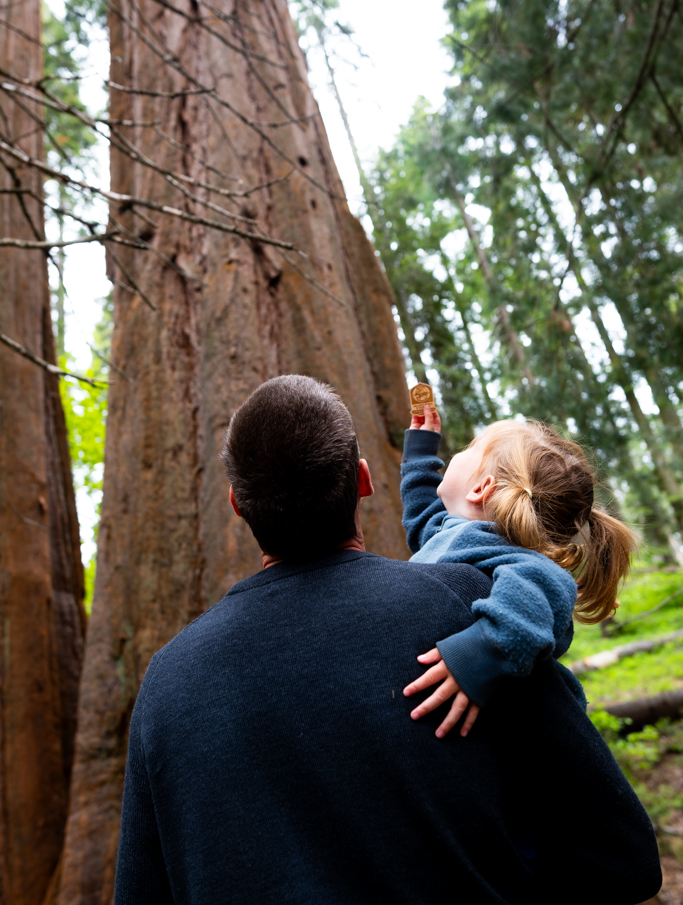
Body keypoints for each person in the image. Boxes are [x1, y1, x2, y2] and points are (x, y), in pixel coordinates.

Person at [114, 375, 661, 905]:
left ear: (237, 504)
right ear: (363, 481)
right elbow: (622, 861)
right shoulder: (466, 606)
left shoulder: (166, 683)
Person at [401, 406, 637, 738]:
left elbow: (549, 587)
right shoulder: (453, 535)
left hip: (516, 722)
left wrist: (478, 655)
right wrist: (419, 454)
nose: (461, 450)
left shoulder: (506, 552)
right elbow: (422, 520)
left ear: (481, 488)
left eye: (471, 448)